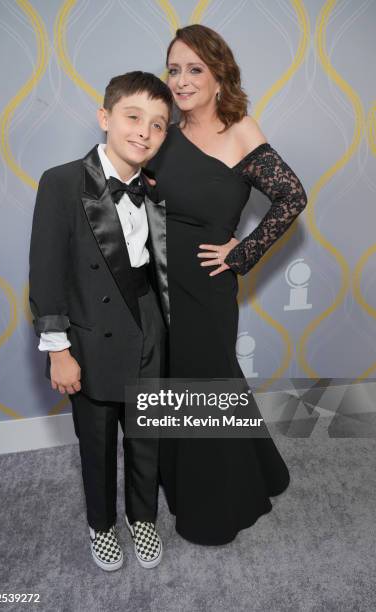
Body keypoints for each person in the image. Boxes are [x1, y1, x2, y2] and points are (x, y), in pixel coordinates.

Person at [146, 25, 308, 545]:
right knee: (174, 382)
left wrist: (242, 253)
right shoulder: (162, 131)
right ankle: (252, 469)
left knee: (205, 384)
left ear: (219, 76)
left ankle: (213, 509)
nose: (182, 79)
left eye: (195, 69)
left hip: (206, 287)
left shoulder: (240, 130)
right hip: (155, 281)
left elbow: (292, 197)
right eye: (174, 69)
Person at [29, 71, 173, 570]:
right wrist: (59, 350)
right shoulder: (63, 181)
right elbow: (45, 273)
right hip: (91, 336)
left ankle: (143, 518)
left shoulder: (154, 188)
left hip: (148, 326)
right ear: (105, 117)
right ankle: (101, 525)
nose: (144, 133)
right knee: (96, 441)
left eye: (158, 125)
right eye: (134, 117)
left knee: (146, 436)